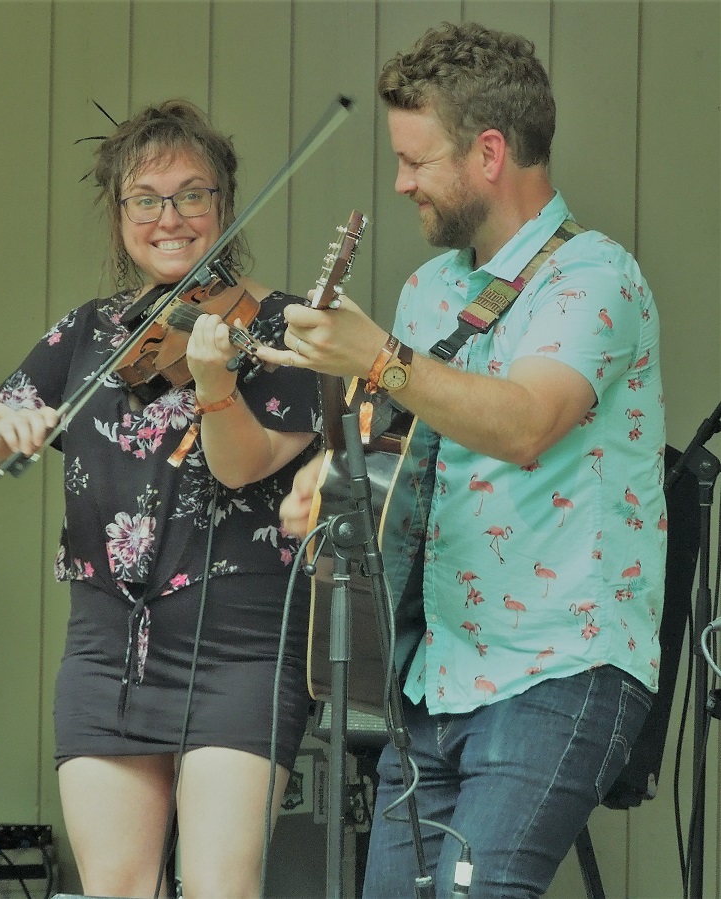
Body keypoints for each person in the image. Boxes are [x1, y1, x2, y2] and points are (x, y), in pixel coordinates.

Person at [255, 21, 666, 899]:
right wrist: (326, 478)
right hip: (434, 675)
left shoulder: (596, 278)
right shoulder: (432, 288)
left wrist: (380, 358)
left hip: (562, 665)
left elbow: (524, 423)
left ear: (488, 152)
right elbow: (405, 444)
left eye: (417, 159)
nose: (401, 182)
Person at [0, 99, 321, 898]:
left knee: (220, 885)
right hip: (106, 649)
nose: (170, 218)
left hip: (241, 650)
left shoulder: (285, 329)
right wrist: (3, 434)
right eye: (146, 199)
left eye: (192, 194)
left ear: (223, 204)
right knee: (116, 887)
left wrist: (217, 376)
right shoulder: (92, 331)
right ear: (119, 212)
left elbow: (241, 466)